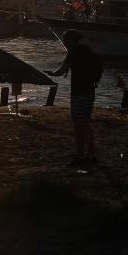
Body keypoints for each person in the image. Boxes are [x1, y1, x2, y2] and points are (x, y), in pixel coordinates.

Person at [48, 29, 102, 167]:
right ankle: (91, 154)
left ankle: (80, 156)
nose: (64, 43)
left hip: (78, 93)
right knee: (86, 123)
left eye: (65, 40)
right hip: (90, 91)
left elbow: (61, 70)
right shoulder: (87, 50)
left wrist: (51, 74)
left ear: (70, 40)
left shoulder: (73, 53)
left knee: (78, 126)